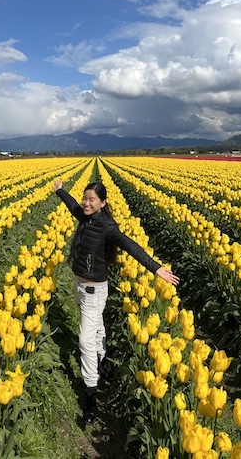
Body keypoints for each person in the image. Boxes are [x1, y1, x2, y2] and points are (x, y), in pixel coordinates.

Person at [53, 180, 180, 424]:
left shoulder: (107, 227)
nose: (86, 203)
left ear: (103, 203)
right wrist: (60, 190)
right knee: (96, 325)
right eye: (85, 198)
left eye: (92, 199)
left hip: (94, 290)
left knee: (84, 340)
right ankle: (101, 359)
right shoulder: (85, 217)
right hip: (80, 287)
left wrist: (157, 268)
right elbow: (72, 205)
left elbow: (130, 246)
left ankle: (90, 394)